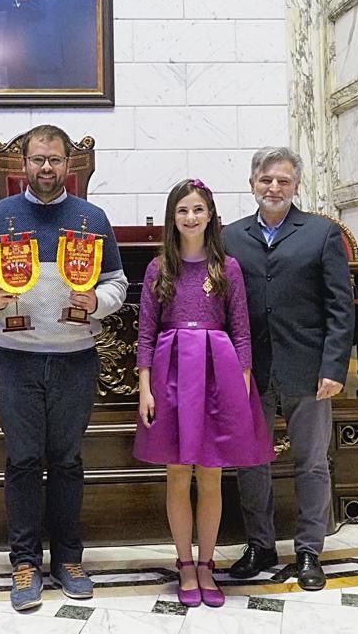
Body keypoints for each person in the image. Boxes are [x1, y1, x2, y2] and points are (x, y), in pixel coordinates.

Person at [0, 124, 128, 611]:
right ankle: (25, 562)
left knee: (69, 461)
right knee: (23, 462)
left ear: (69, 164)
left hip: (76, 359)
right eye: (38, 160)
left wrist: (97, 300)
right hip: (16, 360)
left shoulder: (92, 218)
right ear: (24, 165)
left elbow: (117, 283)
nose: (47, 168)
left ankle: (69, 559)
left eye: (55, 160)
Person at [134, 179, 274, 608]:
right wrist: (145, 387)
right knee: (178, 472)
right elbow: (145, 331)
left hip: (218, 372)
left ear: (210, 215)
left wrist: (242, 385)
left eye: (197, 209)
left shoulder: (226, 267)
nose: (190, 217)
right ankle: (184, 564)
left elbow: (241, 330)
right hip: (172, 373)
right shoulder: (160, 268)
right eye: (182, 211)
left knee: (211, 473)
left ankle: (208, 563)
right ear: (172, 218)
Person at [221, 147, 354, 591]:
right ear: (252, 183)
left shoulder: (321, 233)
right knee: (250, 462)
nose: (273, 188)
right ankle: (259, 545)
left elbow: (341, 307)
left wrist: (335, 365)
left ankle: (309, 549)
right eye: (265, 180)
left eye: (282, 180)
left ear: (296, 185)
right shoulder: (230, 237)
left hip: (309, 367)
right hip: (249, 370)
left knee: (312, 462)